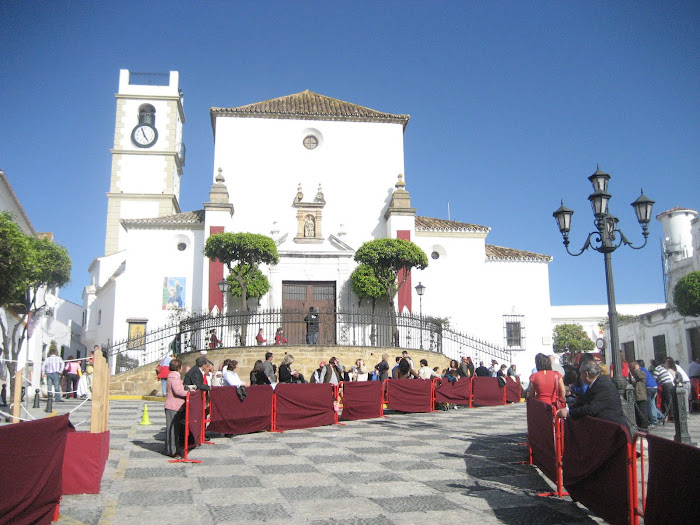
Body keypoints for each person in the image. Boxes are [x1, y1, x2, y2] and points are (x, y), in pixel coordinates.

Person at [557, 360, 631, 437]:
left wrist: (569, 413)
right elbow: (583, 402)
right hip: (604, 428)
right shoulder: (596, 383)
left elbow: (592, 409)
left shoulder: (603, 385)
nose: (579, 376)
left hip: (614, 431)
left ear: (586, 374)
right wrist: (568, 409)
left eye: (580, 373)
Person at [164, 358, 187, 458]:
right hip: (173, 406)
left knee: (173, 429)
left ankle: (172, 449)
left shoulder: (172, 376)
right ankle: (172, 450)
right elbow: (178, 391)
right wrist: (190, 393)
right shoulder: (175, 377)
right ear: (179, 368)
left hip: (173, 405)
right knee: (173, 430)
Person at [637, 359, 662, 425]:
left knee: (648, 405)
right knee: (652, 404)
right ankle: (660, 416)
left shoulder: (640, 371)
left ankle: (652, 420)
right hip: (654, 386)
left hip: (648, 388)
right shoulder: (646, 370)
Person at [628, 360, 651, 430]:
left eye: (632, 367)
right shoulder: (632, 374)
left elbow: (641, 376)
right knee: (637, 414)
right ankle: (639, 427)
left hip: (641, 396)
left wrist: (636, 369)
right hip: (635, 397)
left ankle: (644, 427)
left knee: (643, 414)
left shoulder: (641, 373)